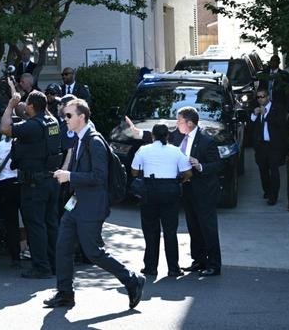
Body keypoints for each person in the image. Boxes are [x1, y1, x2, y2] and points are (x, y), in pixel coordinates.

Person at [45, 99, 145, 309]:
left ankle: (132, 280)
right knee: (62, 247)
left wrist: (70, 175)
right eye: (64, 115)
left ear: (81, 117)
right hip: (76, 204)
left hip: (92, 206)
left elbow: (99, 177)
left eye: (69, 116)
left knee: (93, 252)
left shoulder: (94, 141)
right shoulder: (80, 139)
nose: (65, 120)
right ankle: (65, 294)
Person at [126, 106, 224, 277]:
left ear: (190, 123)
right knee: (193, 226)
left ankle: (214, 264)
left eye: (179, 121)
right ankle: (199, 259)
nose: (176, 123)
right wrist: (138, 132)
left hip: (204, 191)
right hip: (186, 188)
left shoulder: (207, 141)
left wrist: (200, 165)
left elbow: (217, 165)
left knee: (207, 227)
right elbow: (159, 137)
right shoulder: (178, 135)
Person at [0, 90, 61, 279]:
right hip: (51, 180)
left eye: (27, 104)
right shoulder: (53, 122)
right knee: (51, 223)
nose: (25, 107)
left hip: (35, 183)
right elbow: (44, 114)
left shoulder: (32, 126)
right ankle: (54, 264)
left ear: (32, 107)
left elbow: (5, 129)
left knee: (36, 226)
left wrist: (11, 106)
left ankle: (41, 268)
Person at [131, 124, 192, 277]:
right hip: (170, 190)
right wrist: (180, 180)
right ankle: (173, 267)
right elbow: (188, 173)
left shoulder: (143, 150)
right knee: (170, 231)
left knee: (151, 231)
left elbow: (134, 171)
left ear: (152, 136)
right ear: (167, 136)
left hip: (149, 191)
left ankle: (151, 267)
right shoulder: (176, 151)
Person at [0, 134, 21, 268]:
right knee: (32, 221)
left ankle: (15, 257)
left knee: (11, 222)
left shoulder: (0, 145)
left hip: (6, 184)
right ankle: (37, 256)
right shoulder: (27, 143)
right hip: (24, 183)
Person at [251, 88, 288, 205]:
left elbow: (281, 123)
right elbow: (251, 126)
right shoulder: (257, 110)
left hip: (274, 145)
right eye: (258, 97)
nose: (260, 99)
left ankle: (273, 197)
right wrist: (254, 114)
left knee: (274, 170)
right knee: (263, 170)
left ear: (268, 97)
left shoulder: (277, 108)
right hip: (261, 146)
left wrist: (265, 114)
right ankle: (267, 190)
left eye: (263, 96)